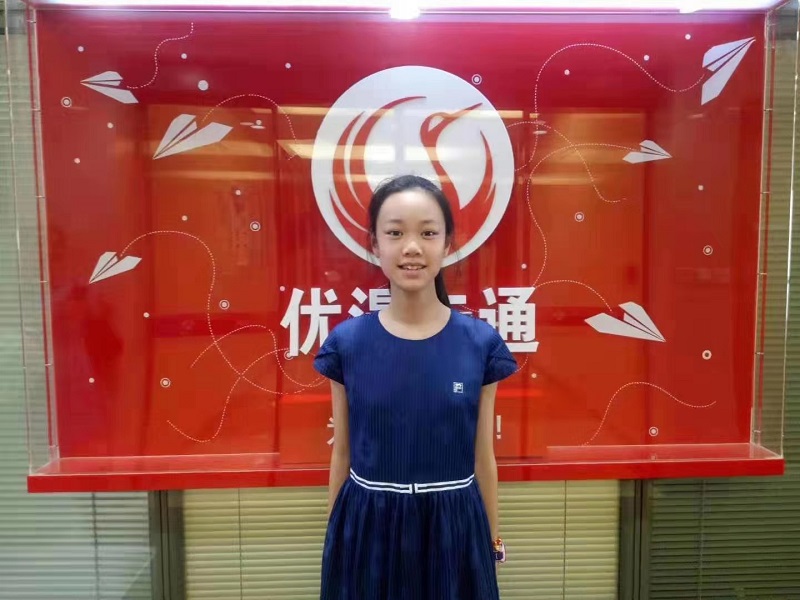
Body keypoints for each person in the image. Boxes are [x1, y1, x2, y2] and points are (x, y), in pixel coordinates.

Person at [313, 174, 518, 600]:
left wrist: (493, 538)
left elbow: (483, 455)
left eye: (427, 233)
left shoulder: (480, 343)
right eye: (395, 233)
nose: (411, 247)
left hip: (454, 528)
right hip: (369, 527)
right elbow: (342, 453)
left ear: (447, 243)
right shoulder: (347, 343)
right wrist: (336, 538)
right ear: (375, 244)